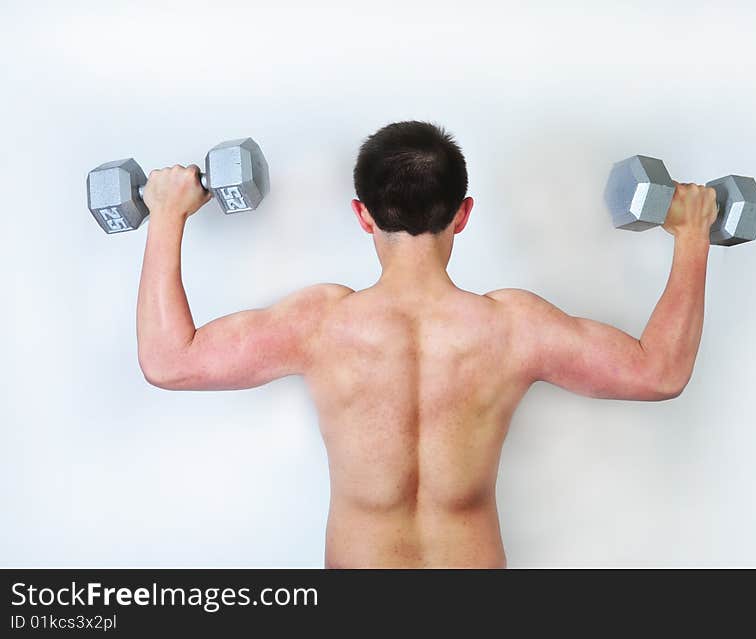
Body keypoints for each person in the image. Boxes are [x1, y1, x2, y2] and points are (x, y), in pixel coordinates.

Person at [136, 121, 718, 568]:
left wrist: (167, 214)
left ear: (363, 216)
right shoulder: (513, 328)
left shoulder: (319, 326)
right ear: (462, 215)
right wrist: (692, 235)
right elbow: (659, 372)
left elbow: (168, 361)